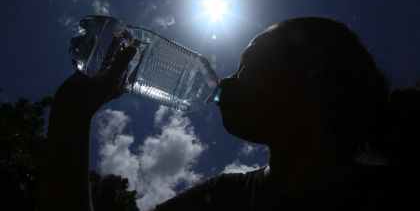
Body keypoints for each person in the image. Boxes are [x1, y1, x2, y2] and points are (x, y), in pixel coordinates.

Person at [38, 17, 419, 211]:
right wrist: (72, 113)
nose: (228, 81)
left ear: (312, 68)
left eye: (246, 63)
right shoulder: (221, 200)